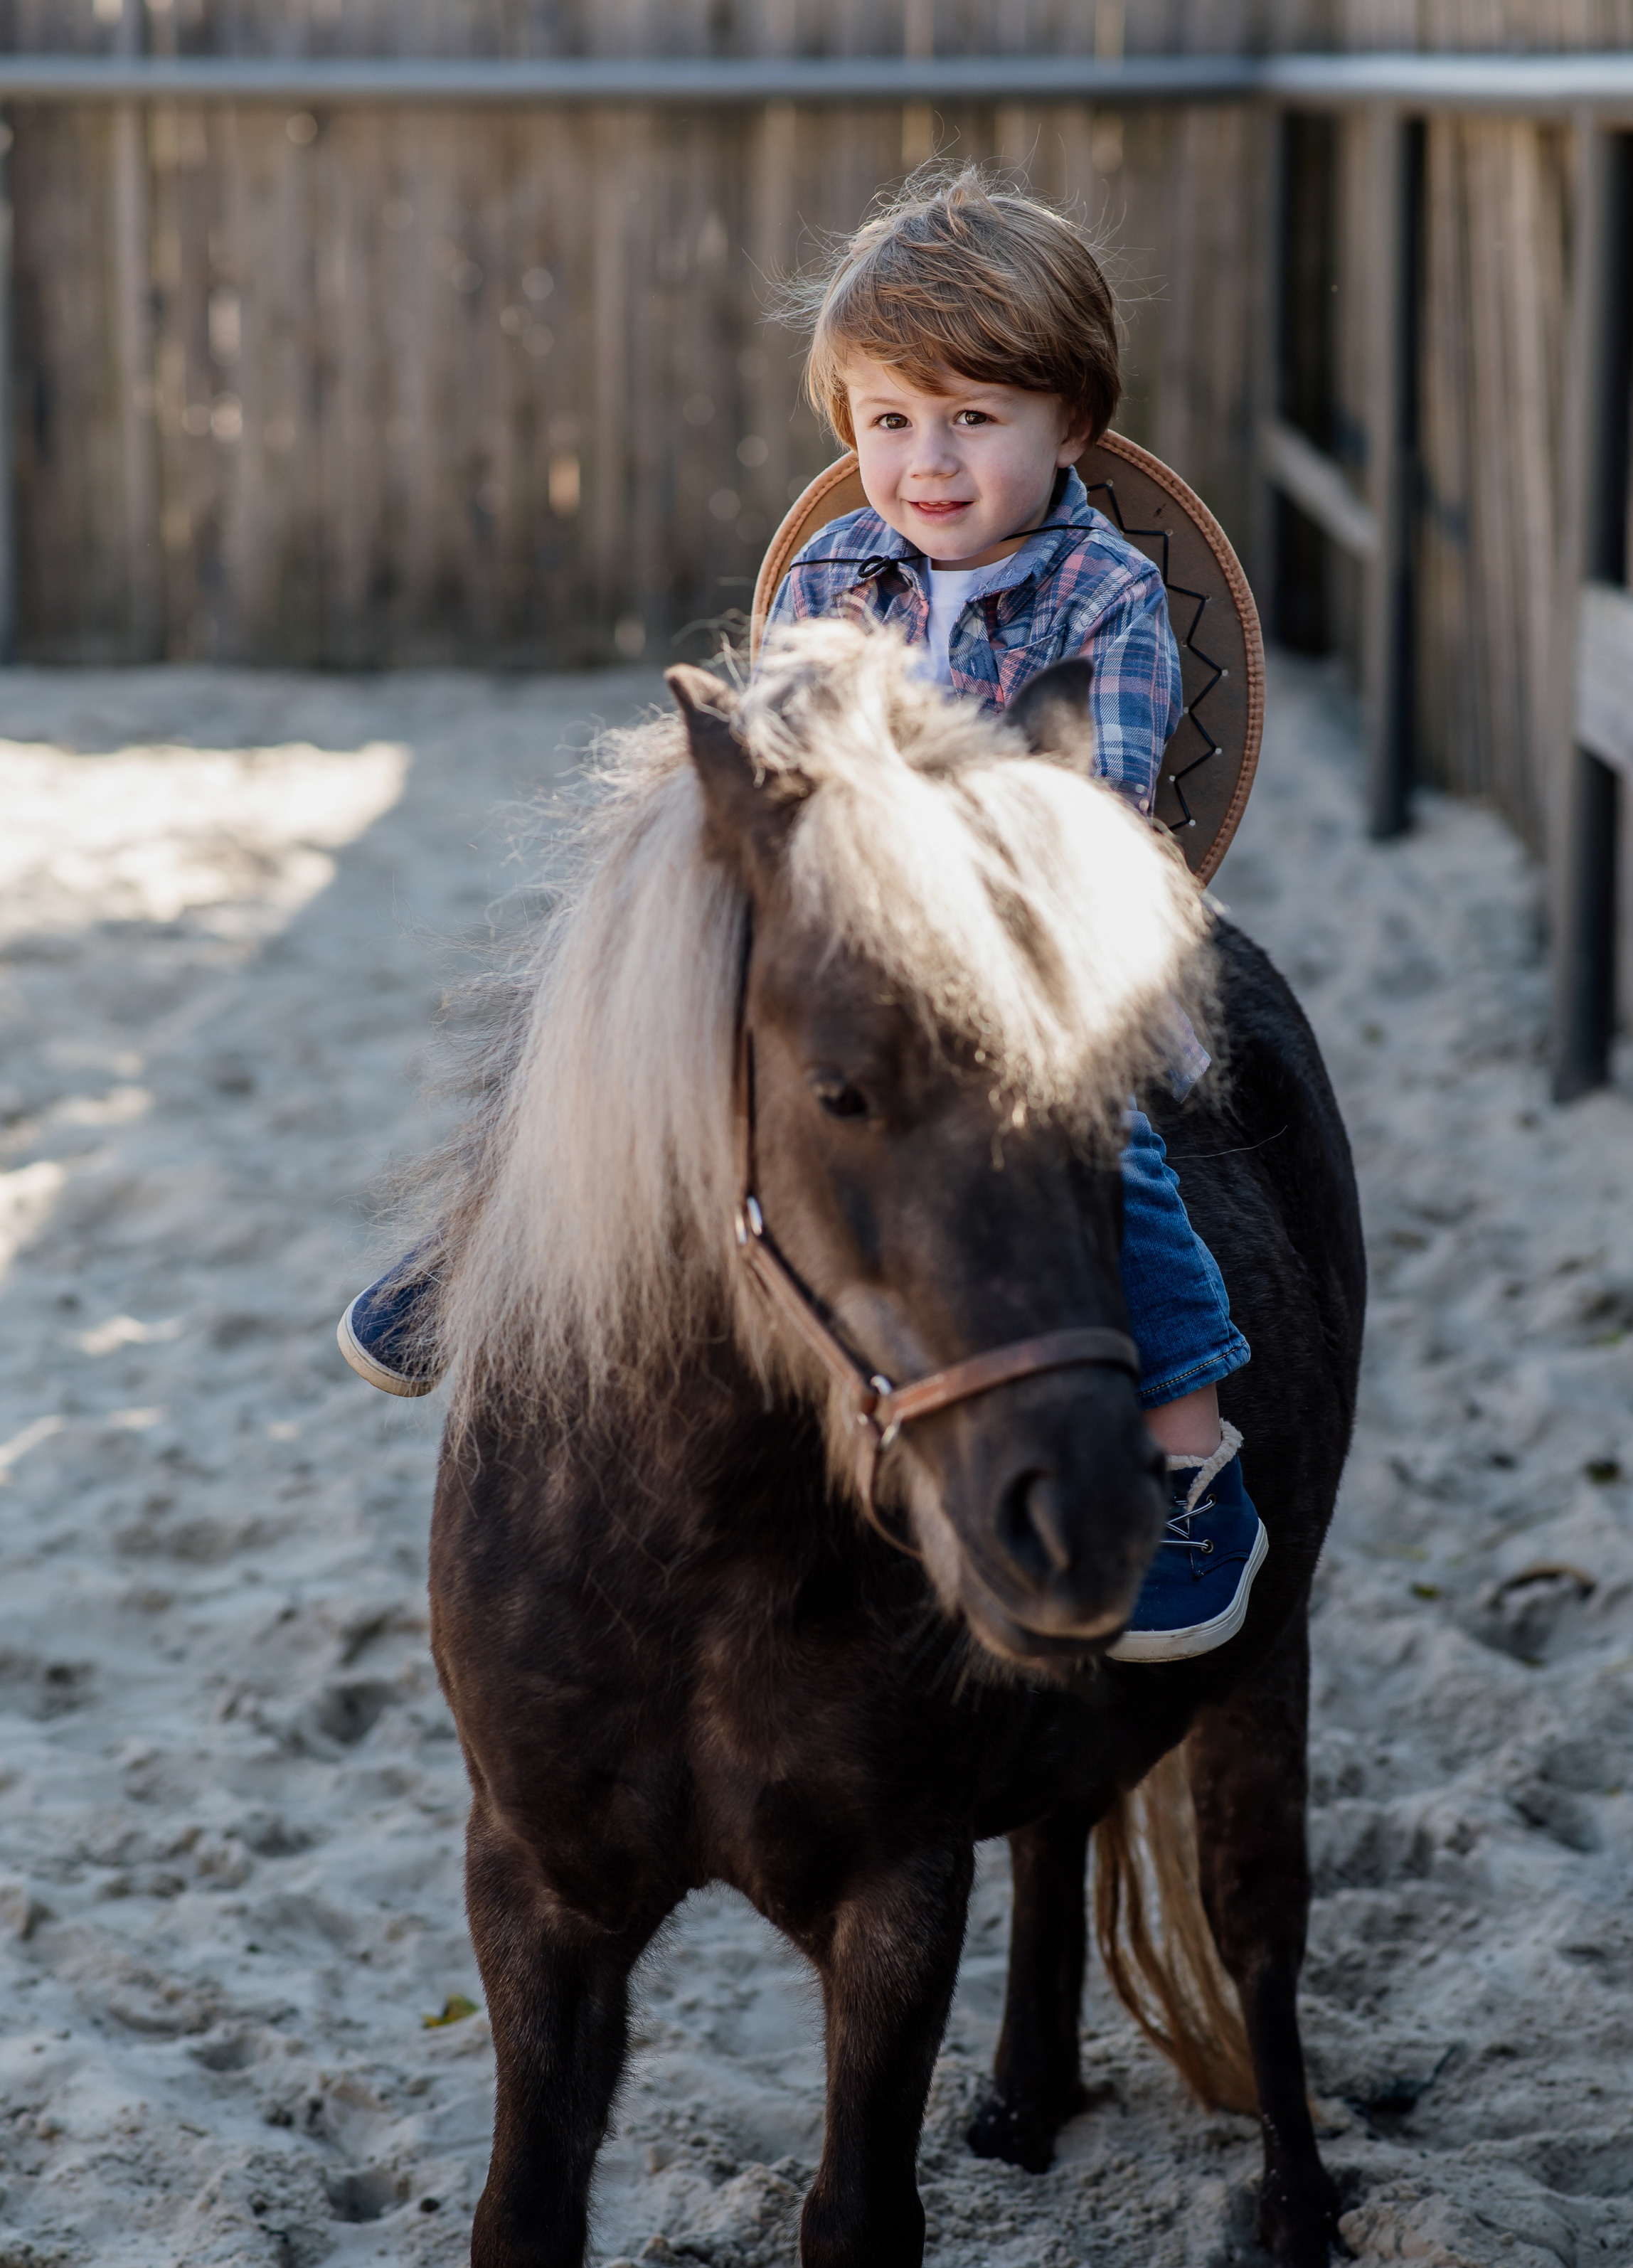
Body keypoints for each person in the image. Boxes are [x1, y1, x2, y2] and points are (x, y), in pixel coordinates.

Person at [337, 166, 1265, 1663]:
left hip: (1021, 952)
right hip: (840, 924)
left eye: (975, 418)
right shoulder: (837, 566)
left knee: (1125, 1154)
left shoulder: (1107, 596)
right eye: (890, 422)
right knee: (623, 1006)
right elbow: (782, 756)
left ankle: (1189, 1451)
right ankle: (480, 1238)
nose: (929, 462)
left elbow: (1096, 814)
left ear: (1070, 424)